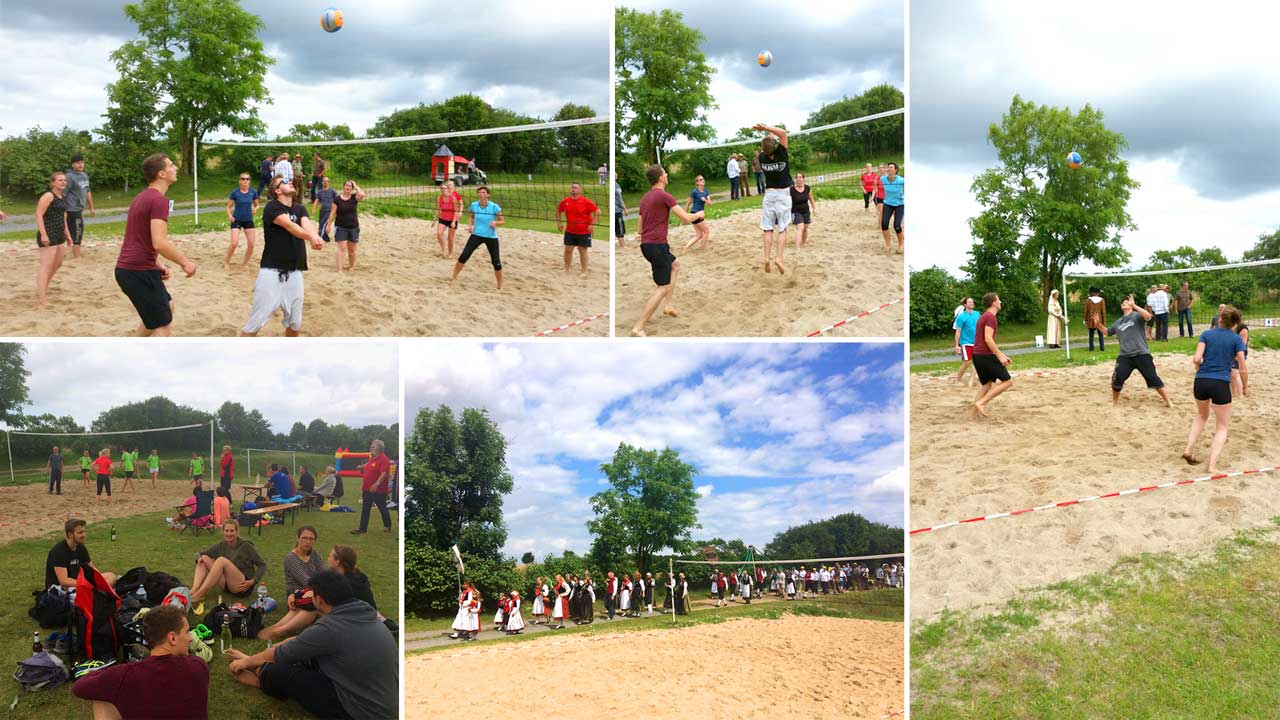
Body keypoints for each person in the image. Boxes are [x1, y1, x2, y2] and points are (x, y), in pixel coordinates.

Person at [226, 571, 398, 720]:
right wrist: (255, 658)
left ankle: (262, 678)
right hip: (380, 700)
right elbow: (297, 643)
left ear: (319, 600)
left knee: (282, 673)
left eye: (311, 594)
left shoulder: (331, 626)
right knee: (304, 657)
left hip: (359, 711)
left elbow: (282, 653)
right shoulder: (363, 613)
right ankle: (262, 671)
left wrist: (247, 662)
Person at [71, 605, 209, 720]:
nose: (191, 638)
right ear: (172, 638)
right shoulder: (198, 666)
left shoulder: (124, 675)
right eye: (187, 632)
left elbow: (79, 687)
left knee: (101, 698)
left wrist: (109, 671)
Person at [115, 153, 198, 336]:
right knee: (162, 327)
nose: (175, 168)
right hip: (136, 271)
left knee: (167, 307)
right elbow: (159, 242)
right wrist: (185, 262)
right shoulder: (159, 200)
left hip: (132, 269)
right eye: (171, 165)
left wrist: (155, 263)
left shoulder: (141, 197)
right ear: (161, 174)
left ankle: (133, 346)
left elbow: (138, 238)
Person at [241, 177, 324, 336]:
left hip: (295, 272)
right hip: (272, 273)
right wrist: (311, 238)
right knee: (255, 324)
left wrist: (316, 237)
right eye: (285, 181)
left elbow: (306, 224)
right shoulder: (272, 207)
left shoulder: (299, 208)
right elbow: (289, 225)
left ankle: (289, 351)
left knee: (295, 324)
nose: (290, 181)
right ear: (277, 190)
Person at [630, 164, 702, 337]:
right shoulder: (664, 196)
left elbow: (640, 225)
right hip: (657, 246)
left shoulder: (645, 197)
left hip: (647, 245)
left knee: (675, 265)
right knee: (662, 287)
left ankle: (668, 305)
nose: (667, 175)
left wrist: (642, 234)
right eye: (665, 173)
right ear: (661, 178)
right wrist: (699, 215)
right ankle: (638, 327)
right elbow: (685, 219)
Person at [1182, 306, 1248, 473]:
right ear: (1235, 323)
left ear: (1220, 319)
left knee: (1201, 415)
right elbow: (1242, 366)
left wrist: (1198, 365)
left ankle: (1188, 449)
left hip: (1201, 381)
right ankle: (1211, 466)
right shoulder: (1236, 339)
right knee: (1222, 427)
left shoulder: (1207, 334)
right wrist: (1243, 386)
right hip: (1220, 383)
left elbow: (1196, 358)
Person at [1107, 294, 1173, 407]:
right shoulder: (1118, 322)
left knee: (1153, 378)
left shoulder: (1136, 315)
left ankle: (1169, 402)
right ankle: (1114, 402)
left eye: (1126, 302)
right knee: (1117, 379)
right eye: (1122, 302)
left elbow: (1148, 316)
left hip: (1141, 353)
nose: (1124, 303)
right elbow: (1107, 332)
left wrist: (1135, 306)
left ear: (1131, 305)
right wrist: (1097, 324)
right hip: (1125, 356)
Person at [188, 519, 267, 609]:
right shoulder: (222, 545)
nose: (229, 534)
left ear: (237, 531)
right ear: (223, 532)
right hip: (227, 584)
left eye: (232, 531)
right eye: (226, 531)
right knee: (204, 558)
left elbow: (262, 565)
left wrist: (253, 581)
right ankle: (194, 589)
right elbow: (199, 554)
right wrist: (198, 558)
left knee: (221, 560)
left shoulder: (246, 546)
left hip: (242, 586)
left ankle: (199, 594)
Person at [754, 123, 793, 273]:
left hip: (769, 195)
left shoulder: (761, 157)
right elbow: (782, 133)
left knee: (768, 229)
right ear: (775, 145)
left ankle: (766, 258)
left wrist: (767, 135)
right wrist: (766, 128)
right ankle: (778, 258)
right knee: (782, 229)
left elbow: (768, 145)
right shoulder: (781, 153)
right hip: (783, 194)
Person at [451, 186, 505, 289]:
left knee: (496, 262)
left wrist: (495, 222)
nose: (481, 194)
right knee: (464, 256)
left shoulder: (494, 207)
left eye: (483, 192)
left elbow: (502, 221)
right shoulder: (474, 205)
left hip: (491, 236)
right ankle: (453, 277)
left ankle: (499, 286)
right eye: (479, 192)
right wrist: (470, 226)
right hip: (476, 235)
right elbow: (472, 217)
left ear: (488, 195)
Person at [971, 293, 1014, 418]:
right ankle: (981, 403)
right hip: (985, 355)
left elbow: (985, 340)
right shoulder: (990, 317)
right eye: (998, 300)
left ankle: (973, 416)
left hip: (977, 355)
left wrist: (1002, 354)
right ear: (994, 303)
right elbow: (988, 339)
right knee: (1007, 382)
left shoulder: (984, 316)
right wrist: (1000, 356)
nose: (1000, 302)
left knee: (986, 385)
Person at [47, 518, 118, 589]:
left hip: (79, 582)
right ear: (70, 534)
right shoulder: (58, 551)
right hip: (63, 588)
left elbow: (93, 569)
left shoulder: (80, 547)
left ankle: (98, 590)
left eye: (84, 532)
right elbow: (64, 581)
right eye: (80, 533)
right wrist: (86, 584)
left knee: (111, 576)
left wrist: (99, 580)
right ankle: (98, 591)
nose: (84, 535)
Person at [34, 171, 70, 306]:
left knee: (58, 263)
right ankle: (42, 298)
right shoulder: (48, 196)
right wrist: (43, 234)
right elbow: (38, 214)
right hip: (48, 233)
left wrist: (68, 234)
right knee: (46, 266)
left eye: (64, 180)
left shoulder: (63, 196)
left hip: (60, 233)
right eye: (60, 180)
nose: (63, 182)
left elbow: (63, 217)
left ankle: (43, 288)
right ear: (53, 183)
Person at [556, 182, 599, 276]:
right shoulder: (566, 201)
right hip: (570, 231)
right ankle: (566, 269)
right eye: (572, 187)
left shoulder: (586, 201)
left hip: (584, 231)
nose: (573, 189)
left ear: (580, 190)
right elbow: (558, 210)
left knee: (582, 250)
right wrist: (559, 223)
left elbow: (597, 211)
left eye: (576, 188)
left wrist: (592, 225)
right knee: (568, 250)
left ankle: (584, 271)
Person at [352, 439, 392, 534]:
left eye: (372, 447)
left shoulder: (384, 460)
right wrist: (361, 467)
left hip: (378, 490)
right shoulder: (373, 458)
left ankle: (387, 525)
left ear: (379, 448)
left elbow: (383, 474)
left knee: (382, 508)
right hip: (367, 489)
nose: (370, 448)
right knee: (365, 509)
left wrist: (376, 484)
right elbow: (369, 464)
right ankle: (362, 529)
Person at [224, 173, 260, 268]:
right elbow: (228, 207)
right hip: (236, 220)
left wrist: (255, 209)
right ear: (239, 181)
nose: (245, 181)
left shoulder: (253, 192)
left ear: (249, 181)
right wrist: (230, 216)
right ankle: (226, 262)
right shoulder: (235, 192)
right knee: (234, 243)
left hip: (248, 220)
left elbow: (257, 205)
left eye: (247, 179)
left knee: (251, 244)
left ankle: (245, 263)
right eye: (243, 179)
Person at [64, 154, 96, 259]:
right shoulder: (69, 177)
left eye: (82, 162)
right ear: (73, 164)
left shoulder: (84, 175)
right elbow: (63, 193)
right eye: (77, 163)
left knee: (71, 231)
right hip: (72, 209)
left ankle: (68, 251)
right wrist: (63, 210)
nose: (80, 164)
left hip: (79, 209)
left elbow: (87, 191)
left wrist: (91, 207)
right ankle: (77, 257)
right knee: (77, 232)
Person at [332, 180, 366, 272]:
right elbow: (332, 213)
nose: (348, 187)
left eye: (350, 186)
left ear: (352, 188)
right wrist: (328, 225)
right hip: (341, 227)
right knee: (341, 248)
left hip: (353, 227)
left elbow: (362, 194)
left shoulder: (354, 197)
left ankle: (351, 267)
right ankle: (339, 270)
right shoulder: (337, 199)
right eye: (346, 185)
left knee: (352, 250)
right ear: (343, 187)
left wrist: (355, 185)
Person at [681, 175, 712, 252]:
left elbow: (710, 204)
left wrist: (705, 200)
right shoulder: (695, 192)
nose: (703, 181)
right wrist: (684, 215)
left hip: (700, 214)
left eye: (703, 179)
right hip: (695, 214)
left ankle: (685, 248)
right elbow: (688, 203)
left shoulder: (706, 191)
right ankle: (702, 250)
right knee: (706, 231)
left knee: (699, 235)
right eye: (700, 180)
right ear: (697, 183)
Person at [879, 162, 904, 254]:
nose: (889, 169)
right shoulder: (883, 178)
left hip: (899, 204)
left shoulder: (901, 180)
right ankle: (888, 245)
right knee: (884, 224)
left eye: (891, 167)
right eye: (888, 167)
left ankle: (901, 245)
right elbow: (877, 179)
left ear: (895, 170)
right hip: (888, 203)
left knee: (897, 226)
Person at [953, 297, 979, 385]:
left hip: (976, 342)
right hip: (966, 342)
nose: (972, 303)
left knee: (977, 362)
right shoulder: (961, 316)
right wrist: (957, 345)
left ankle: (971, 381)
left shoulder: (977, 314)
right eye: (969, 302)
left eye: (972, 302)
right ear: (965, 305)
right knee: (967, 362)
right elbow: (958, 331)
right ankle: (958, 380)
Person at [434, 181, 462, 257]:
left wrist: (453, 222)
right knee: (439, 234)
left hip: (453, 219)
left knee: (450, 238)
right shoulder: (440, 198)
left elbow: (456, 211)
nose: (443, 190)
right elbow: (438, 209)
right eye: (442, 188)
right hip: (443, 218)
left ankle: (450, 253)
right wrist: (434, 220)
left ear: (448, 189)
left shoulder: (453, 198)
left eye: (445, 188)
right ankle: (443, 250)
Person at [789, 172, 817, 250]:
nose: (799, 179)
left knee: (805, 229)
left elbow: (811, 198)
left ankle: (803, 242)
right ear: (795, 179)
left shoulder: (807, 188)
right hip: (796, 212)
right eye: (797, 177)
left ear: (803, 179)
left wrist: (814, 208)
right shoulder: (791, 189)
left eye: (800, 177)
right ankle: (797, 247)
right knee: (800, 228)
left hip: (806, 211)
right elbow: (787, 201)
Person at [311, 176, 337, 243]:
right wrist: (314, 209)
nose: (325, 182)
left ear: (329, 182)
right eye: (324, 181)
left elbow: (337, 201)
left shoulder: (333, 191)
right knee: (321, 224)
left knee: (324, 223)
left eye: (326, 181)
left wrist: (337, 210)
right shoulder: (320, 192)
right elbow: (316, 200)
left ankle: (320, 236)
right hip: (322, 210)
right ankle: (325, 236)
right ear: (322, 182)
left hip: (329, 211)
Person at [1084, 287, 1108, 351]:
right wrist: (1104, 320)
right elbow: (1103, 311)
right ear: (1097, 293)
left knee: (1091, 335)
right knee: (1101, 335)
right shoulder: (1102, 300)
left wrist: (1085, 320)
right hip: (1099, 320)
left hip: (1091, 319)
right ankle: (1102, 348)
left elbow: (1086, 311)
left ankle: (1091, 348)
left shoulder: (1088, 300)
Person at [1231, 318, 1250, 399]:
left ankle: (1243, 389)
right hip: (1232, 352)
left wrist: (1237, 355)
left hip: (1239, 352)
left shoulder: (1242, 328)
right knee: (1234, 373)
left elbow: (1242, 345)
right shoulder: (1228, 326)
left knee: (1238, 372)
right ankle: (1236, 391)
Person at [613, 179, 627, 249]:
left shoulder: (616, 184)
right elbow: (620, 198)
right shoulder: (615, 185)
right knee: (619, 227)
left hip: (615, 210)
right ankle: (622, 245)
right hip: (617, 210)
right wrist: (625, 208)